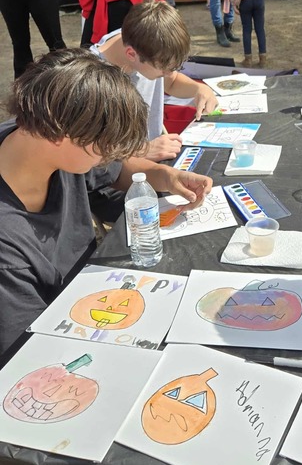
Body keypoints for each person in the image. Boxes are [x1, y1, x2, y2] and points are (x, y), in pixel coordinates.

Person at [0, 47, 213, 357]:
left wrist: (166, 177)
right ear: (61, 133)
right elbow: (31, 353)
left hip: (96, 296)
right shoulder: (7, 248)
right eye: (105, 144)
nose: (111, 153)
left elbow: (117, 172)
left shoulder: (35, 137)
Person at [90, 0, 218, 163]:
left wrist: (199, 89)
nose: (169, 73)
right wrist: (142, 150)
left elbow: (171, 81)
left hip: (152, 163)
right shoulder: (92, 80)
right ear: (131, 54)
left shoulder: (143, 41)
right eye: (164, 68)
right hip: (121, 175)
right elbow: (86, 151)